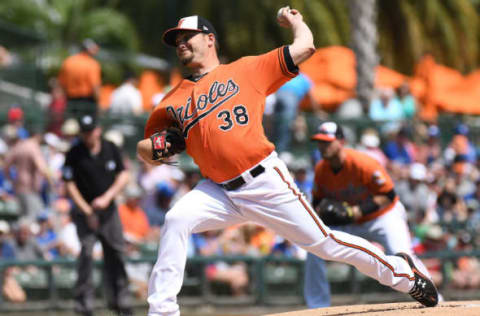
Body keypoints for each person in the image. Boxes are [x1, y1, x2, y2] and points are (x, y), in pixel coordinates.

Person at [136, 8, 438, 316]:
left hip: (264, 183)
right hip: (219, 191)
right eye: (177, 41)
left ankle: (403, 273)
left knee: (326, 244)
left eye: (187, 37)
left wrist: (296, 22)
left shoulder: (246, 69)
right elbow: (143, 148)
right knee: (176, 219)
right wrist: (154, 147)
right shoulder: (173, 99)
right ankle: (162, 311)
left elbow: (305, 46)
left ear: (210, 39)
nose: (181, 44)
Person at [304, 121, 436, 308]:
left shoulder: (362, 162)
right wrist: (326, 213)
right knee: (314, 245)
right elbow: (317, 203)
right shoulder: (321, 170)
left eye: (327, 141)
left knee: (404, 254)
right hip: (349, 223)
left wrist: (356, 211)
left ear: (341, 142)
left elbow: (388, 195)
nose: (322, 146)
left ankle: (432, 298)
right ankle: (317, 306)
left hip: (382, 217)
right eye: (319, 142)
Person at [62, 114, 131, 316]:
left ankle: (121, 302)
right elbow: (69, 183)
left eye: (90, 131)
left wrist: (107, 197)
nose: (87, 135)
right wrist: (87, 210)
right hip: (85, 213)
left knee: (117, 254)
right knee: (86, 256)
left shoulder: (110, 148)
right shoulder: (75, 153)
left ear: (98, 130)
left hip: (109, 212)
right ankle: (84, 307)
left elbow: (124, 175)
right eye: (84, 132)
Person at [58, 39, 101, 120]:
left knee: (71, 127)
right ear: (89, 49)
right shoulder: (92, 64)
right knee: (88, 129)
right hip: (87, 103)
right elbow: (95, 87)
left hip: (70, 101)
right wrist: (98, 104)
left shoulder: (68, 61)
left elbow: (61, 84)